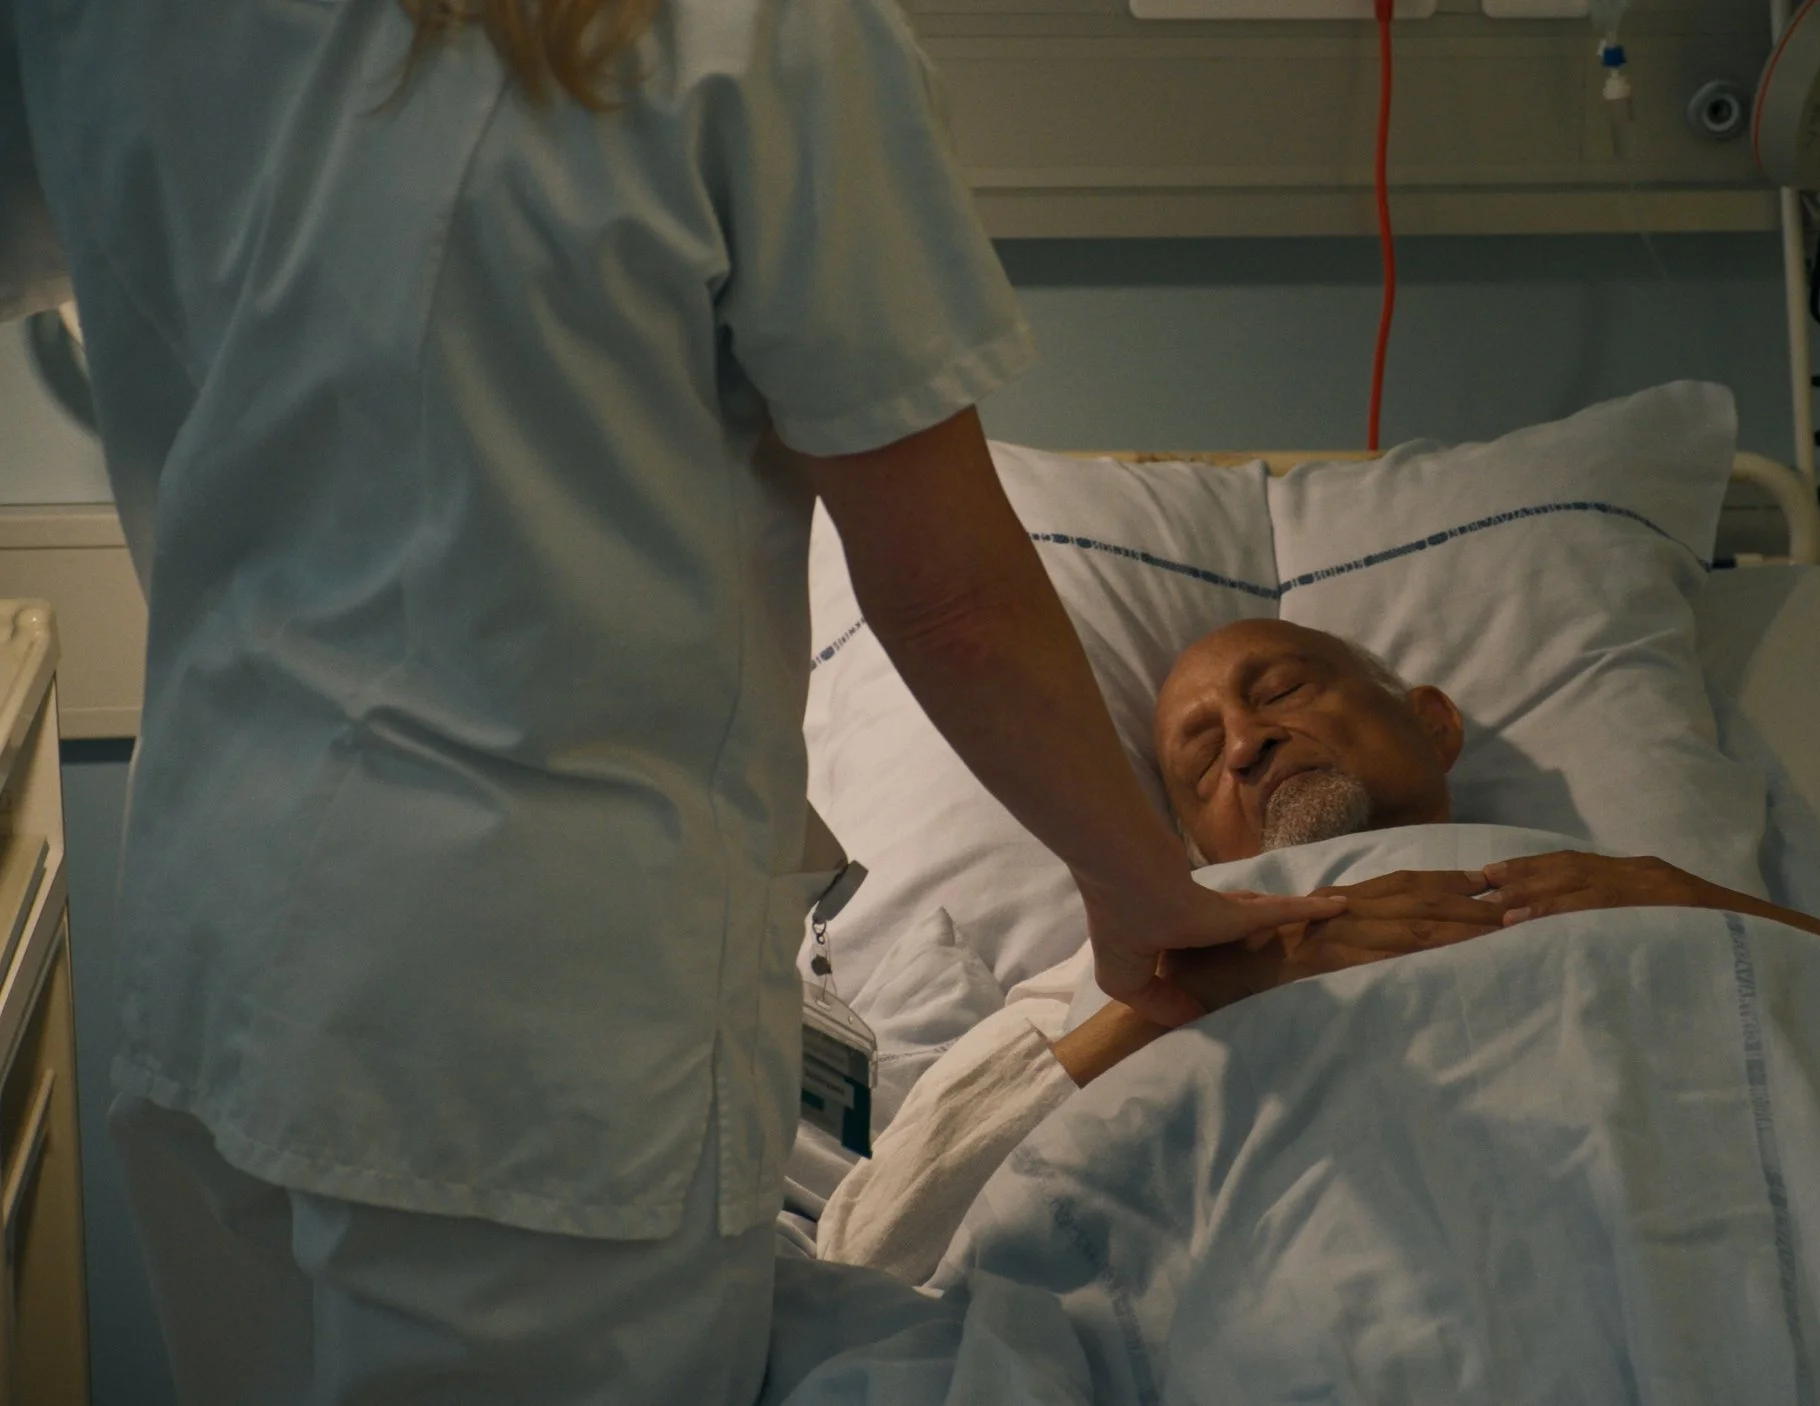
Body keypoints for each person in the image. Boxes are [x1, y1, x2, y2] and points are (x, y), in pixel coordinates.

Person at [5, 1, 1337, 1399]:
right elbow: (955, 606)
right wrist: (1144, 893)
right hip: (532, 1029)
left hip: (210, 959)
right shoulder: (752, 30)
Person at [812, 618, 1820, 1277]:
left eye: (1281, 693)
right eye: (1202, 755)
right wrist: (1193, 997)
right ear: (1196, 847)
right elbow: (870, 1244)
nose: (1245, 741)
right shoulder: (1112, 981)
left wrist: (1704, 907)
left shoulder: (1632, 887)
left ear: (1432, 723)